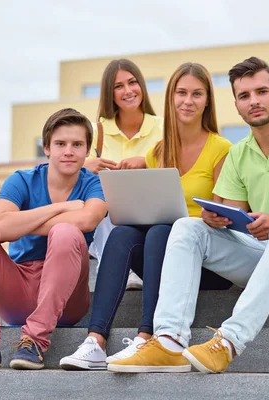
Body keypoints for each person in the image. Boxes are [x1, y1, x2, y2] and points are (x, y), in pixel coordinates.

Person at [108, 57, 269, 374]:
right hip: (264, 256)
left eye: (261, 91)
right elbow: (234, 214)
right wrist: (217, 219)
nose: (254, 101)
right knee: (187, 226)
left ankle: (229, 341)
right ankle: (168, 341)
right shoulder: (239, 153)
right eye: (244, 96)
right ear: (236, 104)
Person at [59, 62, 233, 371]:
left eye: (196, 94)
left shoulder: (222, 148)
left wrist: (212, 215)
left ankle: (146, 336)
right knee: (123, 233)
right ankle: (95, 341)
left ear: (207, 100)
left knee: (161, 232)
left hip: (205, 261)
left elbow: (225, 213)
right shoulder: (159, 151)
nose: (188, 101)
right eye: (181, 93)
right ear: (170, 98)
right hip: (162, 253)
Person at [0, 108, 107, 370]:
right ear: (47, 148)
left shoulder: (95, 184)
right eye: (60, 144)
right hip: (18, 288)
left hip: (68, 299)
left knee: (65, 233)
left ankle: (34, 341)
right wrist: (60, 208)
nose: (68, 151)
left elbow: (87, 220)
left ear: (87, 150)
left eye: (77, 144)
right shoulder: (21, 180)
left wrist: (21, 222)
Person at [86, 59, 163, 289]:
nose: (128, 91)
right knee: (103, 199)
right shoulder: (93, 131)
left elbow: (179, 168)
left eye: (132, 82)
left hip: (152, 216)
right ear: (109, 94)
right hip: (106, 222)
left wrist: (147, 162)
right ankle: (116, 266)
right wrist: (86, 168)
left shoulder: (165, 128)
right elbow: (67, 177)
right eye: (118, 86)